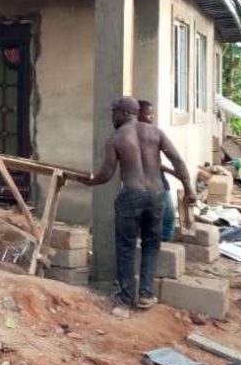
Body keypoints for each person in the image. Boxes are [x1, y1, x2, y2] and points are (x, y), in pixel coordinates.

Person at [80, 96, 195, 310]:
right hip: (157, 195)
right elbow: (177, 160)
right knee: (151, 245)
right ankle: (145, 294)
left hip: (131, 196)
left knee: (126, 246)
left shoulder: (116, 138)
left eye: (114, 112)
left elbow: (106, 174)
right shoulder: (156, 132)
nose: (112, 116)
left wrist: (90, 182)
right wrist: (189, 189)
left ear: (124, 113)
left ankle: (126, 296)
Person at [137, 100, 176, 242]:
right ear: (138, 115)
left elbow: (157, 163)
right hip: (146, 184)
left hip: (160, 180)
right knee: (157, 216)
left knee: (169, 215)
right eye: (148, 114)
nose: (152, 118)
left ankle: (163, 244)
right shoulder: (131, 136)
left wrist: (173, 172)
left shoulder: (154, 134)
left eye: (152, 114)